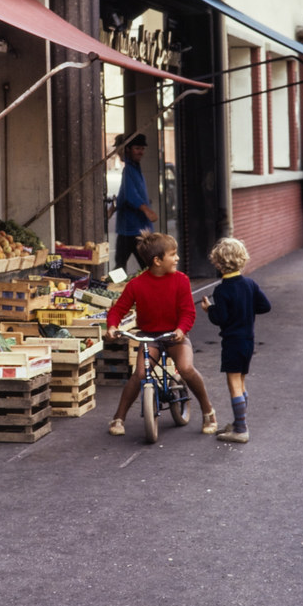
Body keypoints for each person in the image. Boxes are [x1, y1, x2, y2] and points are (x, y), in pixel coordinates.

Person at [105, 231, 217, 436]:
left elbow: (187, 312)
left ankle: (208, 411)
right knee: (139, 375)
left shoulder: (181, 280)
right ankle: (118, 417)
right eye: (173, 254)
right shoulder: (136, 284)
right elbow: (117, 310)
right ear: (157, 260)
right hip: (149, 336)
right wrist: (112, 326)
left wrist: (181, 330)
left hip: (175, 335)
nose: (177, 258)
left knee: (185, 368)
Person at [201, 237, 271, 444]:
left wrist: (209, 309)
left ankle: (241, 429)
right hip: (248, 341)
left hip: (232, 342)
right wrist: (248, 308)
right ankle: (239, 421)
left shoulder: (222, 290)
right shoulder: (250, 284)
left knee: (233, 384)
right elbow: (265, 306)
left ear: (218, 263)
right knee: (241, 382)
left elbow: (220, 319)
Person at [113, 133, 157, 272]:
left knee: (141, 265)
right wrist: (146, 210)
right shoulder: (129, 169)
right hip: (130, 230)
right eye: (137, 148)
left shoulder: (134, 168)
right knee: (121, 266)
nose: (141, 152)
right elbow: (129, 196)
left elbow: (128, 195)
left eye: (142, 149)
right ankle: (115, 289)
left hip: (136, 230)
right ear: (128, 149)